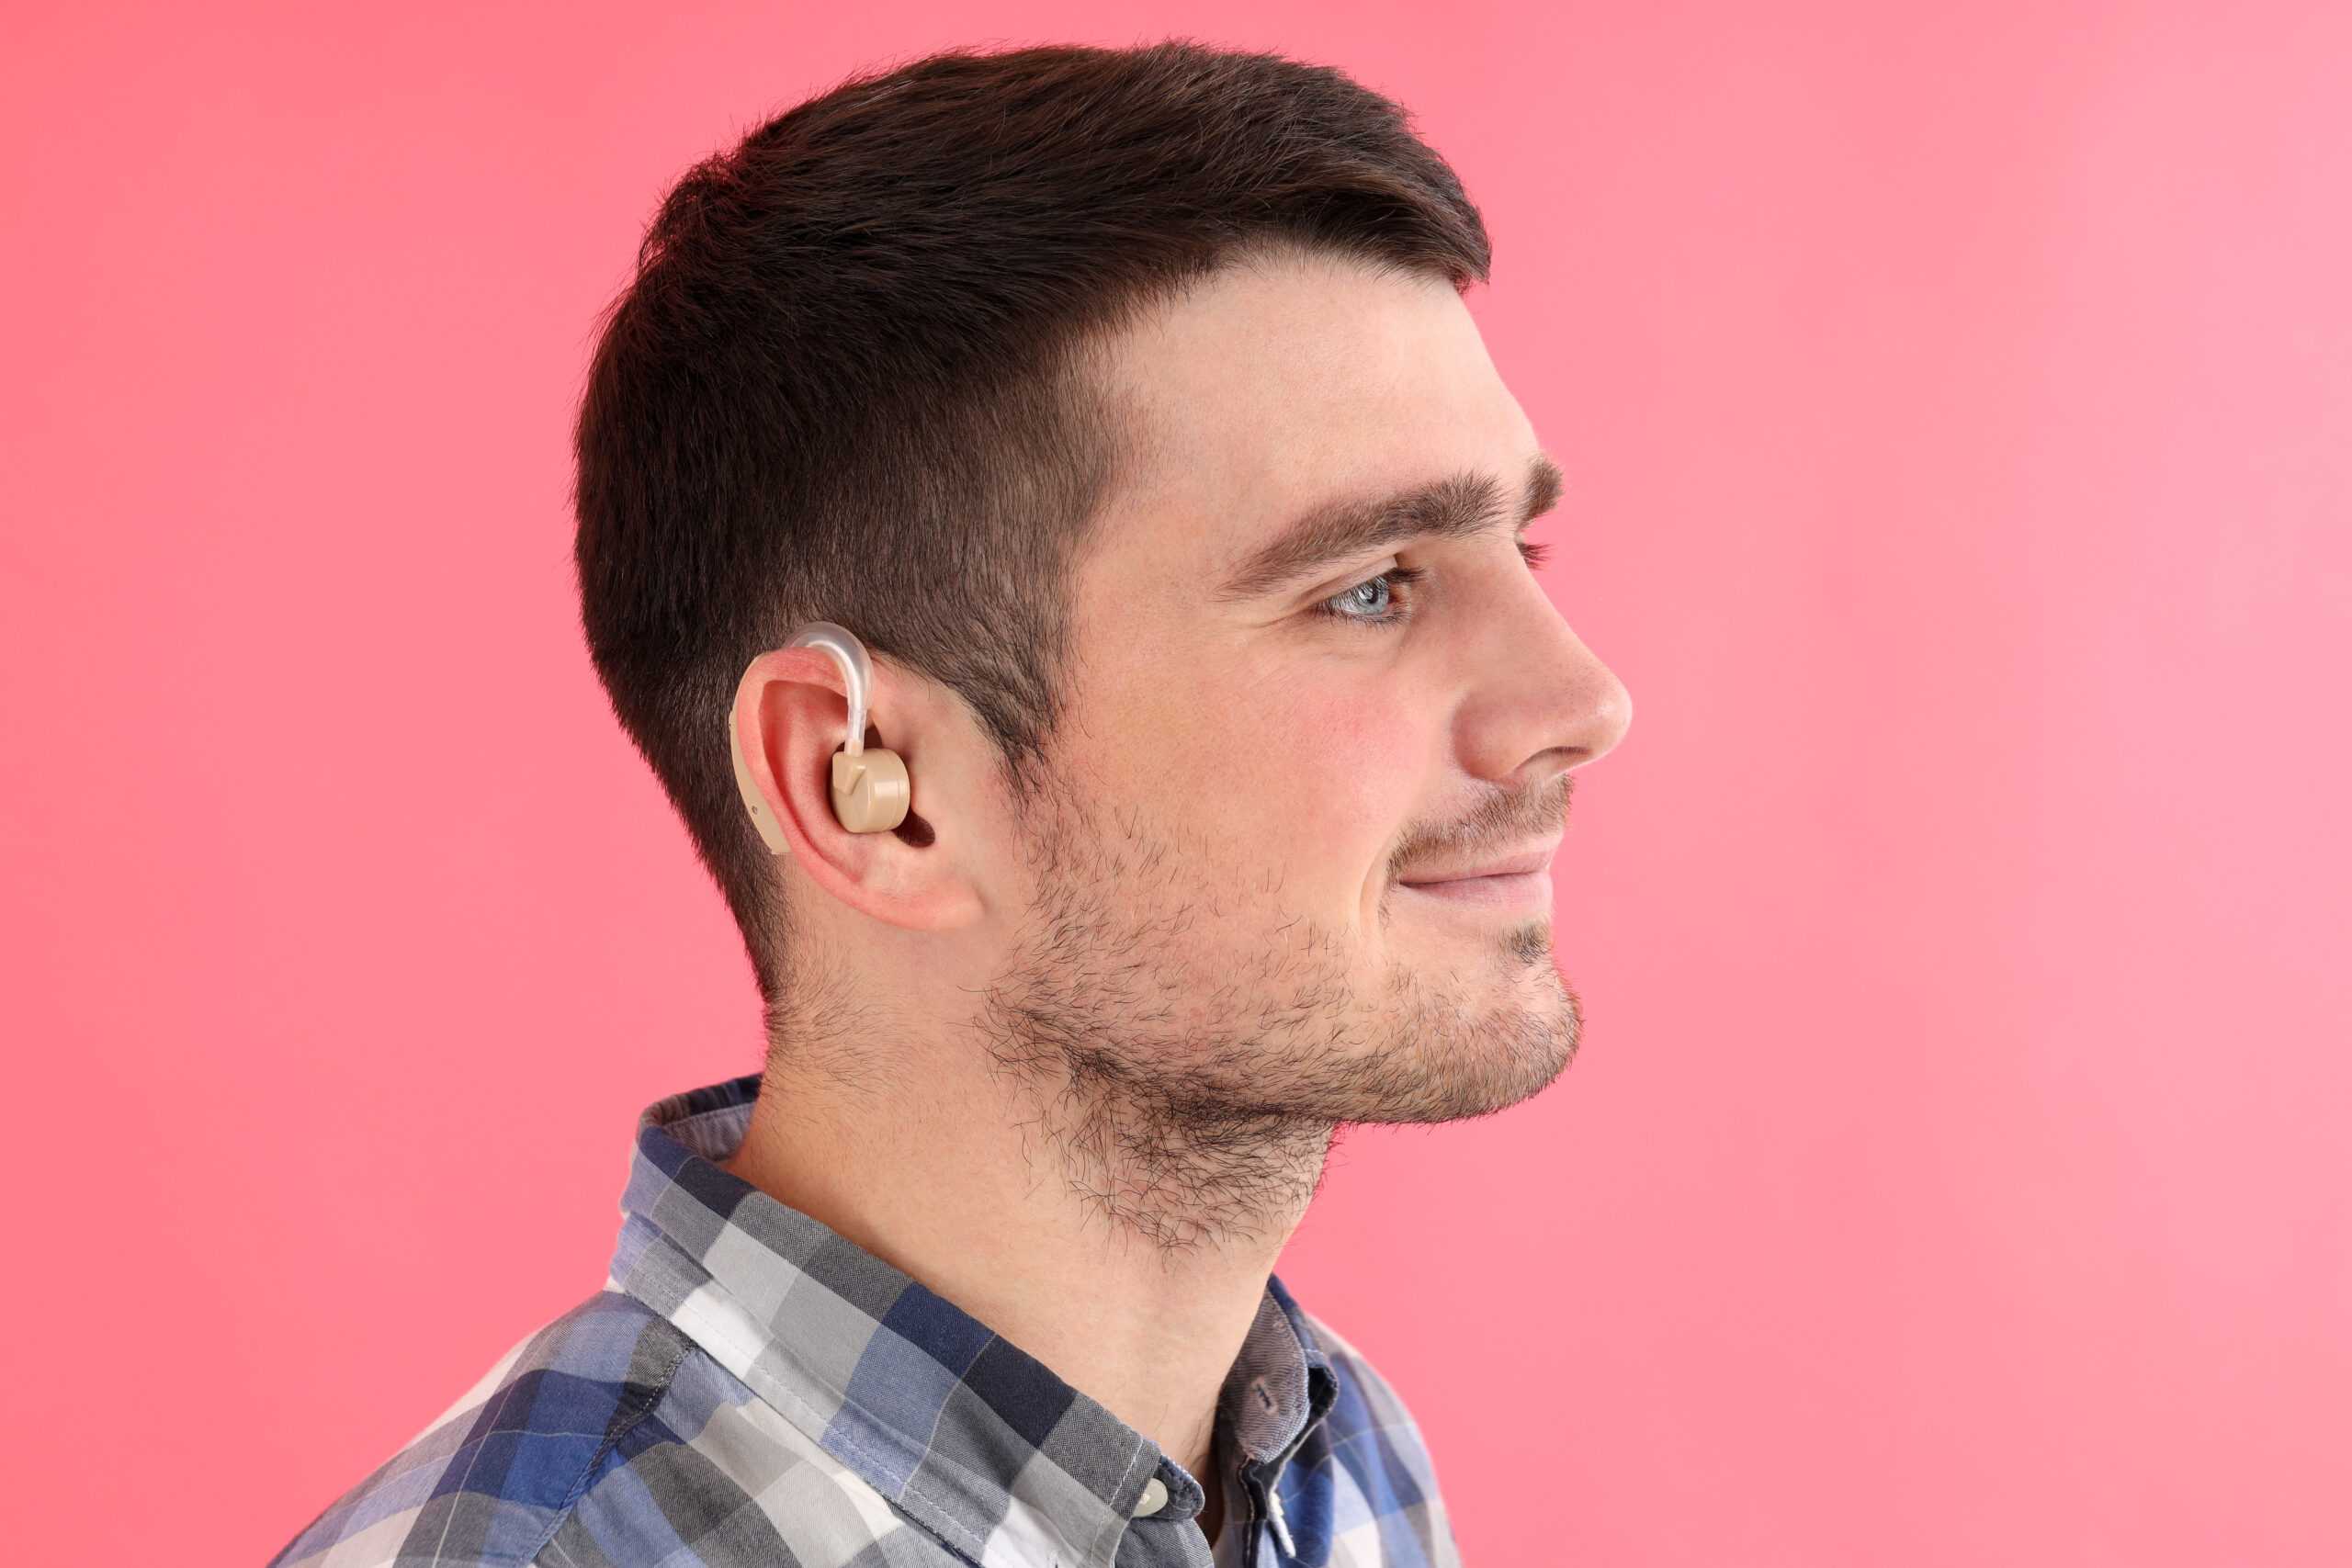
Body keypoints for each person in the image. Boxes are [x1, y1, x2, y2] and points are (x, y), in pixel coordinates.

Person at [268, 36, 1631, 1568]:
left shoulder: (1342, 1462)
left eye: (1527, 554)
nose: (1583, 707)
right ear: (875, 795)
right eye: (1370, 588)